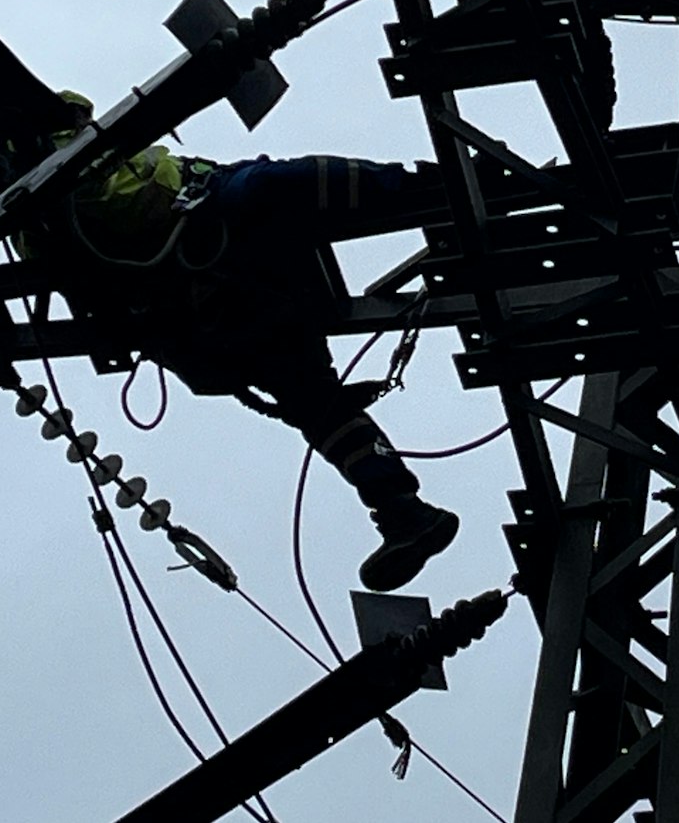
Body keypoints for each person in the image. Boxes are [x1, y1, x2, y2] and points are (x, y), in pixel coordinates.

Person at [32, 93, 457, 592]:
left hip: (209, 241)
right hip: (200, 279)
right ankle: (404, 513)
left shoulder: (84, 154)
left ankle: (432, 187)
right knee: (312, 396)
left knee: (280, 188)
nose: (86, 118)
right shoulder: (35, 178)